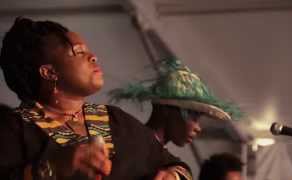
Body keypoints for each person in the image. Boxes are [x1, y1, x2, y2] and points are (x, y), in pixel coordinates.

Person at [0, 17, 192, 180]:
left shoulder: (115, 119)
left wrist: (172, 175)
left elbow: (179, 166)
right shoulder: (13, 128)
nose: (93, 57)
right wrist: (52, 167)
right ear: (49, 72)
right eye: (80, 52)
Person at [109, 58, 242, 147]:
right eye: (193, 116)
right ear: (166, 110)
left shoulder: (167, 162)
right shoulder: (122, 130)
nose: (198, 128)